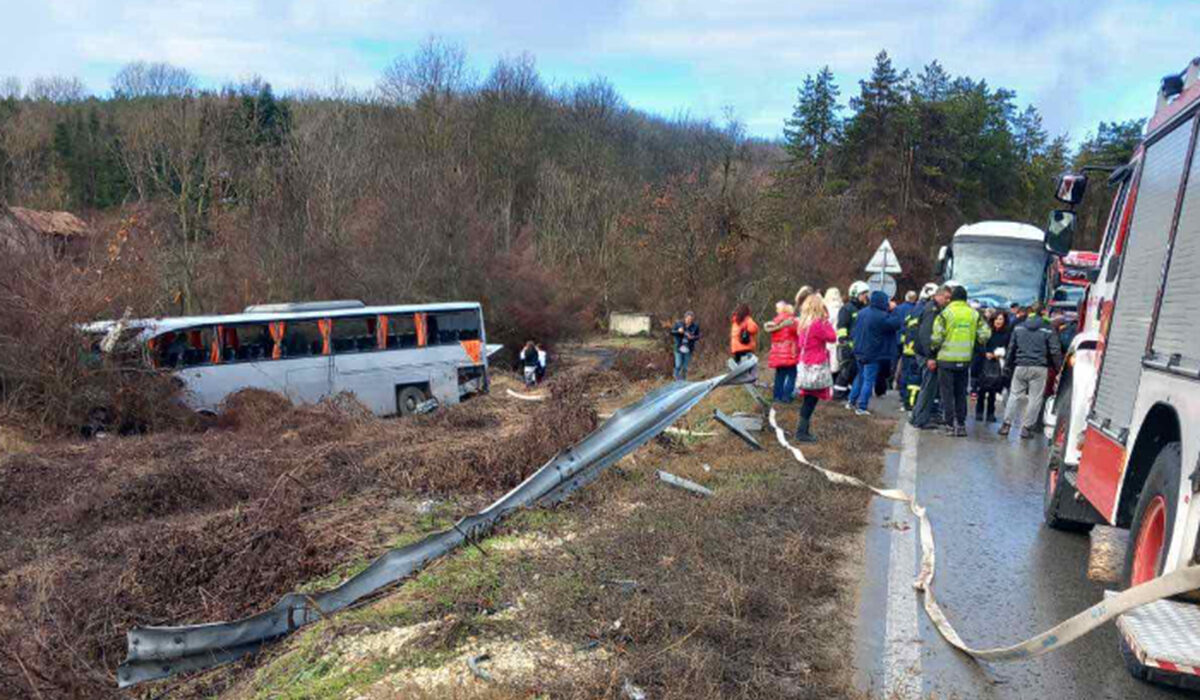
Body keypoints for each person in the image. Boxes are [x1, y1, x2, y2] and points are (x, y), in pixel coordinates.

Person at [930, 285, 991, 436]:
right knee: (960, 393)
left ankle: (949, 425)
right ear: (965, 298)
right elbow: (985, 334)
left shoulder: (945, 314)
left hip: (945, 359)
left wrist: (933, 348)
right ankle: (961, 425)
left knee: (947, 394)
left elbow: (936, 337)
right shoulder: (974, 314)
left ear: (952, 298)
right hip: (964, 360)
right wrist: (976, 342)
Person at [1000, 302, 1063, 438]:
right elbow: (1055, 350)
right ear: (1044, 312)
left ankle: (1006, 425)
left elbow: (1011, 348)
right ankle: (1026, 428)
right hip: (1039, 368)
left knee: (1014, 395)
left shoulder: (1019, 327)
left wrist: (1007, 365)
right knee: (1035, 398)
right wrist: (1059, 369)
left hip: (1020, 366)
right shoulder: (1048, 328)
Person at [847, 290, 903, 415]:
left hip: (859, 350)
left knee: (860, 377)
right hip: (872, 353)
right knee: (868, 380)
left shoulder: (861, 313)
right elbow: (897, 323)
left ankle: (851, 401)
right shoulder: (882, 316)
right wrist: (894, 310)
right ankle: (862, 407)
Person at [793, 294, 838, 442]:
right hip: (816, 364)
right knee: (811, 400)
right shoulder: (818, 324)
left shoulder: (803, 324)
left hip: (805, 363)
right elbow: (832, 337)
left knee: (809, 398)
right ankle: (801, 432)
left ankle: (803, 430)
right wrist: (826, 320)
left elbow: (800, 345)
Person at [910, 284, 951, 429]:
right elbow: (926, 335)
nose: (948, 301)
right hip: (926, 355)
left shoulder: (933, 308)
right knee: (928, 388)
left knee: (927, 387)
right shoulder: (932, 311)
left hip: (925, 353)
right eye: (946, 298)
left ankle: (917, 416)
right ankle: (920, 420)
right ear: (938, 295)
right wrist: (931, 357)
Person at [833, 281, 870, 398]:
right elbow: (842, 326)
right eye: (864, 294)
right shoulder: (847, 309)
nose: (866, 296)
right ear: (856, 294)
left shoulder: (865, 308)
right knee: (846, 372)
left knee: (854, 372)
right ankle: (838, 394)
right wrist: (844, 341)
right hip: (848, 346)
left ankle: (848, 394)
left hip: (860, 346)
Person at [976, 312, 1011, 423]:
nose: (998, 321)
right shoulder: (987, 331)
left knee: (993, 389)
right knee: (982, 388)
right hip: (984, 362)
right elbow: (979, 344)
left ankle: (991, 413)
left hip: (998, 363)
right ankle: (979, 412)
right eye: (996, 319)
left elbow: (1008, 347)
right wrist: (985, 353)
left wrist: (999, 354)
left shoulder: (1007, 333)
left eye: (1001, 319)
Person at [764, 301, 798, 403]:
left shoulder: (775, 322)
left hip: (778, 353)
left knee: (780, 375)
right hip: (789, 353)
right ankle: (786, 396)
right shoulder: (792, 321)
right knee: (792, 374)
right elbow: (799, 333)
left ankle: (777, 396)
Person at [671, 312, 701, 380]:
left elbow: (698, 336)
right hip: (679, 347)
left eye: (691, 319)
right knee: (678, 365)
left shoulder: (695, 326)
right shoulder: (679, 324)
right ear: (685, 318)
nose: (689, 320)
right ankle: (676, 378)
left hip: (688, 348)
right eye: (688, 318)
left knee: (685, 367)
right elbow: (672, 332)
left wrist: (693, 337)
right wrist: (678, 331)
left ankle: (683, 380)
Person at [822, 288, 844, 374]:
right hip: (839, 337)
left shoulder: (826, 309)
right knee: (837, 361)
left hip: (828, 338)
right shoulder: (842, 308)